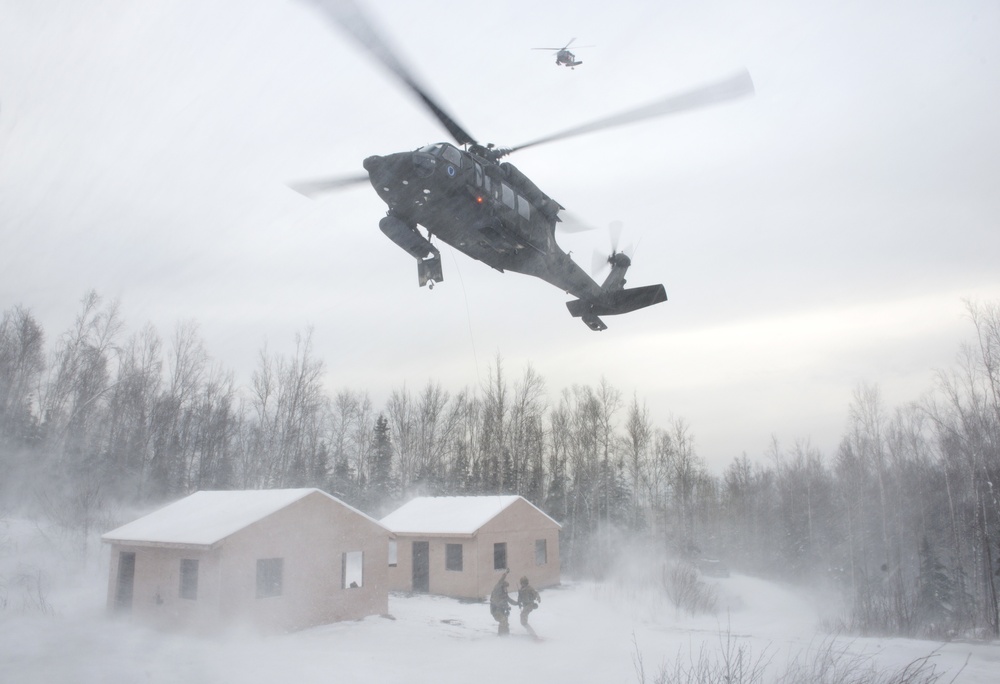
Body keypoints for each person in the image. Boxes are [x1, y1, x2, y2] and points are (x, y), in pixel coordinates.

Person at [489, 570, 517, 636]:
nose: (506, 588)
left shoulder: (504, 594)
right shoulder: (497, 589)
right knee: (503, 621)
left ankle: (506, 635)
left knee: (505, 621)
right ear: (502, 586)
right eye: (505, 587)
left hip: (501, 611)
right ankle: (502, 636)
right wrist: (506, 573)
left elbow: (509, 600)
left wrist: (517, 603)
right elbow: (501, 580)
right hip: (495, 610)